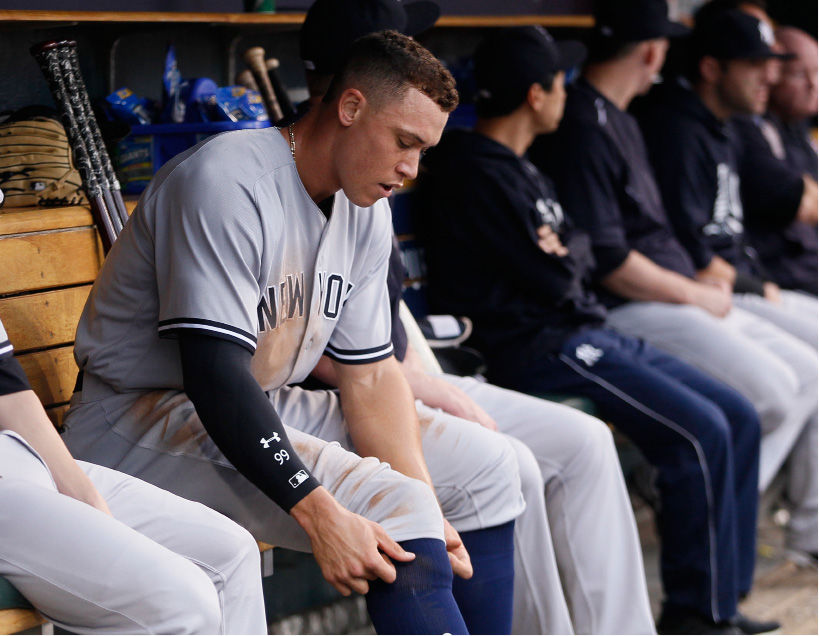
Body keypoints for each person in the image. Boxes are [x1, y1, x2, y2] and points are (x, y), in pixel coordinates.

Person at [61, 30, 526, 635]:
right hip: (137, 422)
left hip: (255, 406)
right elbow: (213, 373)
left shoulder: (365, 207)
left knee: (484, 463)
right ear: (351, 107)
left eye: (423, 152)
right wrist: (318, 509)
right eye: (404, 142)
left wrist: (428, 500)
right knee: (400, 506)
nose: (410, 170)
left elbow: (371, 375)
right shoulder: (227, 181)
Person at [299, 1, 653, 633]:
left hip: (404, 364)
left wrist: (420, 376)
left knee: (581, 441)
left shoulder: (378, 173)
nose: (422, 63)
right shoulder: (321, 165)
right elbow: (307, 343)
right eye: (404, 49)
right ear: (358, 87)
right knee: (507, 460)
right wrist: (419, 382)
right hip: (349, 389)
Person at [413, 23, 770, 636]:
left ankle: (722, 602)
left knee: (735, 412)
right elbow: (556, 273)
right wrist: (563, 253)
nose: (567, 92)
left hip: (584, 329)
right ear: (534, 94)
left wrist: (563, 251)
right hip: (538, 346)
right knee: (697, 433)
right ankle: (697, 614)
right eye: (558, 82)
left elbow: (571, 251)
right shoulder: (473, 168)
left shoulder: (521, 166)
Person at [530, 0, 817, 578]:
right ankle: (715, 528)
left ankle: (726, 532)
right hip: (632, 308)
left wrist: (702, 282)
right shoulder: (590, 124)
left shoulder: (627, 117)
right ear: (654, 52)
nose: (768, 76)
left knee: (799, 379)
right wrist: (694, 289)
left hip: (678, 293)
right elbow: (610, 261)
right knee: (770, 395)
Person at [0, 318, 267, 634]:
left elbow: (8, 390)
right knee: (183, 604)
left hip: (17, 456)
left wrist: (86, 499)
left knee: (233, 552)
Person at [635, 9, 817, 349]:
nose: (769, 78)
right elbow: (690, 249)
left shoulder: (730, 124)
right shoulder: (677, 131)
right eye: (754, 65)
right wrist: (755, 287)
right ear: (711, 69)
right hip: (714, 292)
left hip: (747, 285)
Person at [732, 25, 818, 295]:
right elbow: (798, 201)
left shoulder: (795, 126)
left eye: (817, 73)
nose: (813, 85)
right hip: (782, 279)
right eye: (799, 74)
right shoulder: (744, 125)